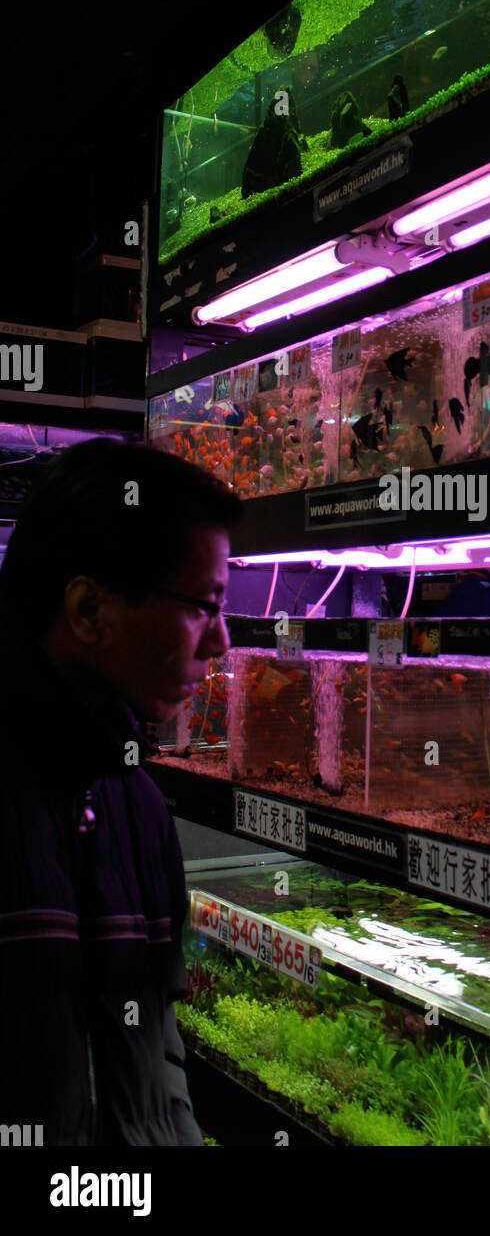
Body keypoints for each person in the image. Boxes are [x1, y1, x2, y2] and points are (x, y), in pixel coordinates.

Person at [0, 440, 243, 1145]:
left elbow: (157, 1049)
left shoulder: (135, 803)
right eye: (203, 606)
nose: (221, 642)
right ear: (87, 608)